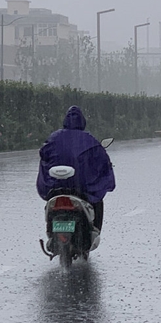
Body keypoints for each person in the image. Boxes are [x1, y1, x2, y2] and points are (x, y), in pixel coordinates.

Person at [37, 105, 116, 246]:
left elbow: (44, 155)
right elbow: (102, 161)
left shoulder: (54, 138)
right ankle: (94, 230)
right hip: (81, 189)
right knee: (98, 202)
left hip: (56, 187)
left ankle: (51, 233)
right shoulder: (89, 140)